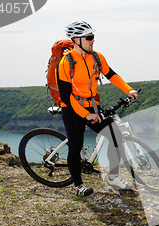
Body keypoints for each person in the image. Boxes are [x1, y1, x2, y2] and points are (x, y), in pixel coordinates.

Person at [57, 21, 138, 196]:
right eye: (89, 37)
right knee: (75, 146)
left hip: (92, 105)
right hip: (73, 109)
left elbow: (111, 75)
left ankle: (113, 177)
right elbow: (65, 96)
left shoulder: (96, 57)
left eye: (93, 37)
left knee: (115, 135)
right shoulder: (66, 62)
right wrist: (86, 115)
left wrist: (128, 89)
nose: (93, 40)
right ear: (77, 40)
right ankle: (79, 186)